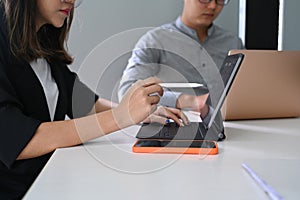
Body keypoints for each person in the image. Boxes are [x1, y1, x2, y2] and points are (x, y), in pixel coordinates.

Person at [0, 0, 191, 199]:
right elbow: (16, 140)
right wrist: (120, 117)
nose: (71, 1)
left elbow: (83, 103)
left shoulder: (41, 37)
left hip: (48, 181)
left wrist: (139, 113)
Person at [118, 0, 244, 139]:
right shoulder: (155, 40)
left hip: (232, 128)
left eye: (219, 0)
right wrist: (189, 101)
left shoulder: (233, 43)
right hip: (178, 125)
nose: (213, 6)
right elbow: (127, 92)